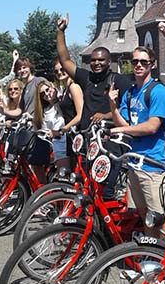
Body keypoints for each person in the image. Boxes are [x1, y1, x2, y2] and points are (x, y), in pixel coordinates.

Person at [56, 13, 131, 198]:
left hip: (108, 139)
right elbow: (65, 60)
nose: (97, 63)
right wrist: (60, 32)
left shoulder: (119, 80)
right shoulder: (86, 78)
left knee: (104, 189)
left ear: (109, 62)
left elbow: (130, 109)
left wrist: (106, 116)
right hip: (87, 137)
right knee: (84, 183)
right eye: (94, 60)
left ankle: (108, 213)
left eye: (101, 60)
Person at [107, 46, 165, 238]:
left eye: (144, 62)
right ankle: (151, 257)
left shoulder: (158, 91)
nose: (139, 66)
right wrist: (112, 105)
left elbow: (152, 126)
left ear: (152, 64)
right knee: (144, 216)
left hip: (153, 164)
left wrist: (121, 129)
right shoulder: (131, 92)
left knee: (159, 218)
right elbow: (123, 122)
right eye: (135, 62)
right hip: (135, 162)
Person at [53, 61, 84, 174]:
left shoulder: (74, 87)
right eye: (56, 71)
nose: (59, 72)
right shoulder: (66, 89)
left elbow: (80, 115)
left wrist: (64, 129)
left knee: (79, 170)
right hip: (71, 135)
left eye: (62, 69)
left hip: (78, 134)